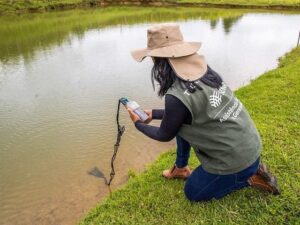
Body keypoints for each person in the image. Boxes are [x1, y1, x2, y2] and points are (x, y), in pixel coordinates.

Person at [127, 23, 279, 201]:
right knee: (181, 124)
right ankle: (181, 168)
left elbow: (164, 134)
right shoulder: (204, 71)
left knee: (193, 192)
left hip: (236, 161)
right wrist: (153, 113)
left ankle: (249, 178)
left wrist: (137, 123)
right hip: (250, 148)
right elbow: (183, 113)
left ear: (159, 60)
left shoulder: (176, 95)